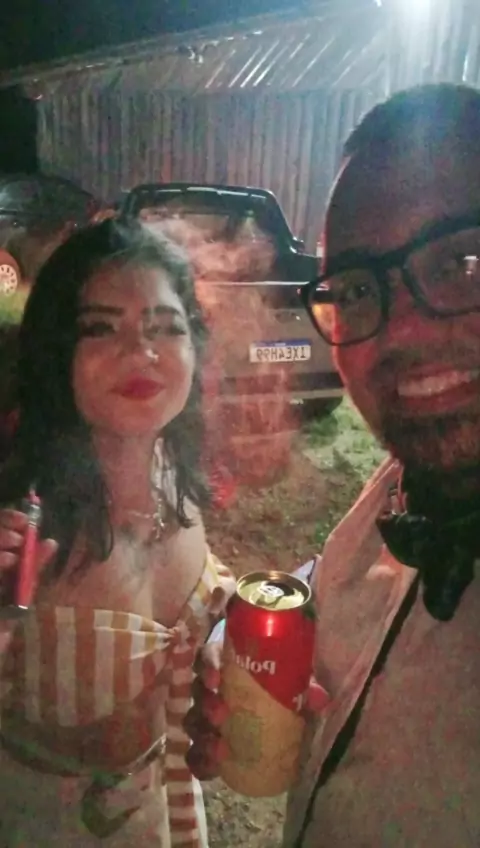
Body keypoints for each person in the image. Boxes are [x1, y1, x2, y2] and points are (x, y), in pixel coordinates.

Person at [189, 83, 480, 846]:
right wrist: (232, 649)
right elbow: (333, 583)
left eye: (462, 262)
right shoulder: (405, 484)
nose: (402, 329)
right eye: (356, 288)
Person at [0, 217, 234, 846]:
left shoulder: (173, 475)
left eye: (166, 327)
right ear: (58, 352)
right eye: (102, 328)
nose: (141, 353)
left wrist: (220, 641)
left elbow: (200, 596)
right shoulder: (21, 516)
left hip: (159, 808)